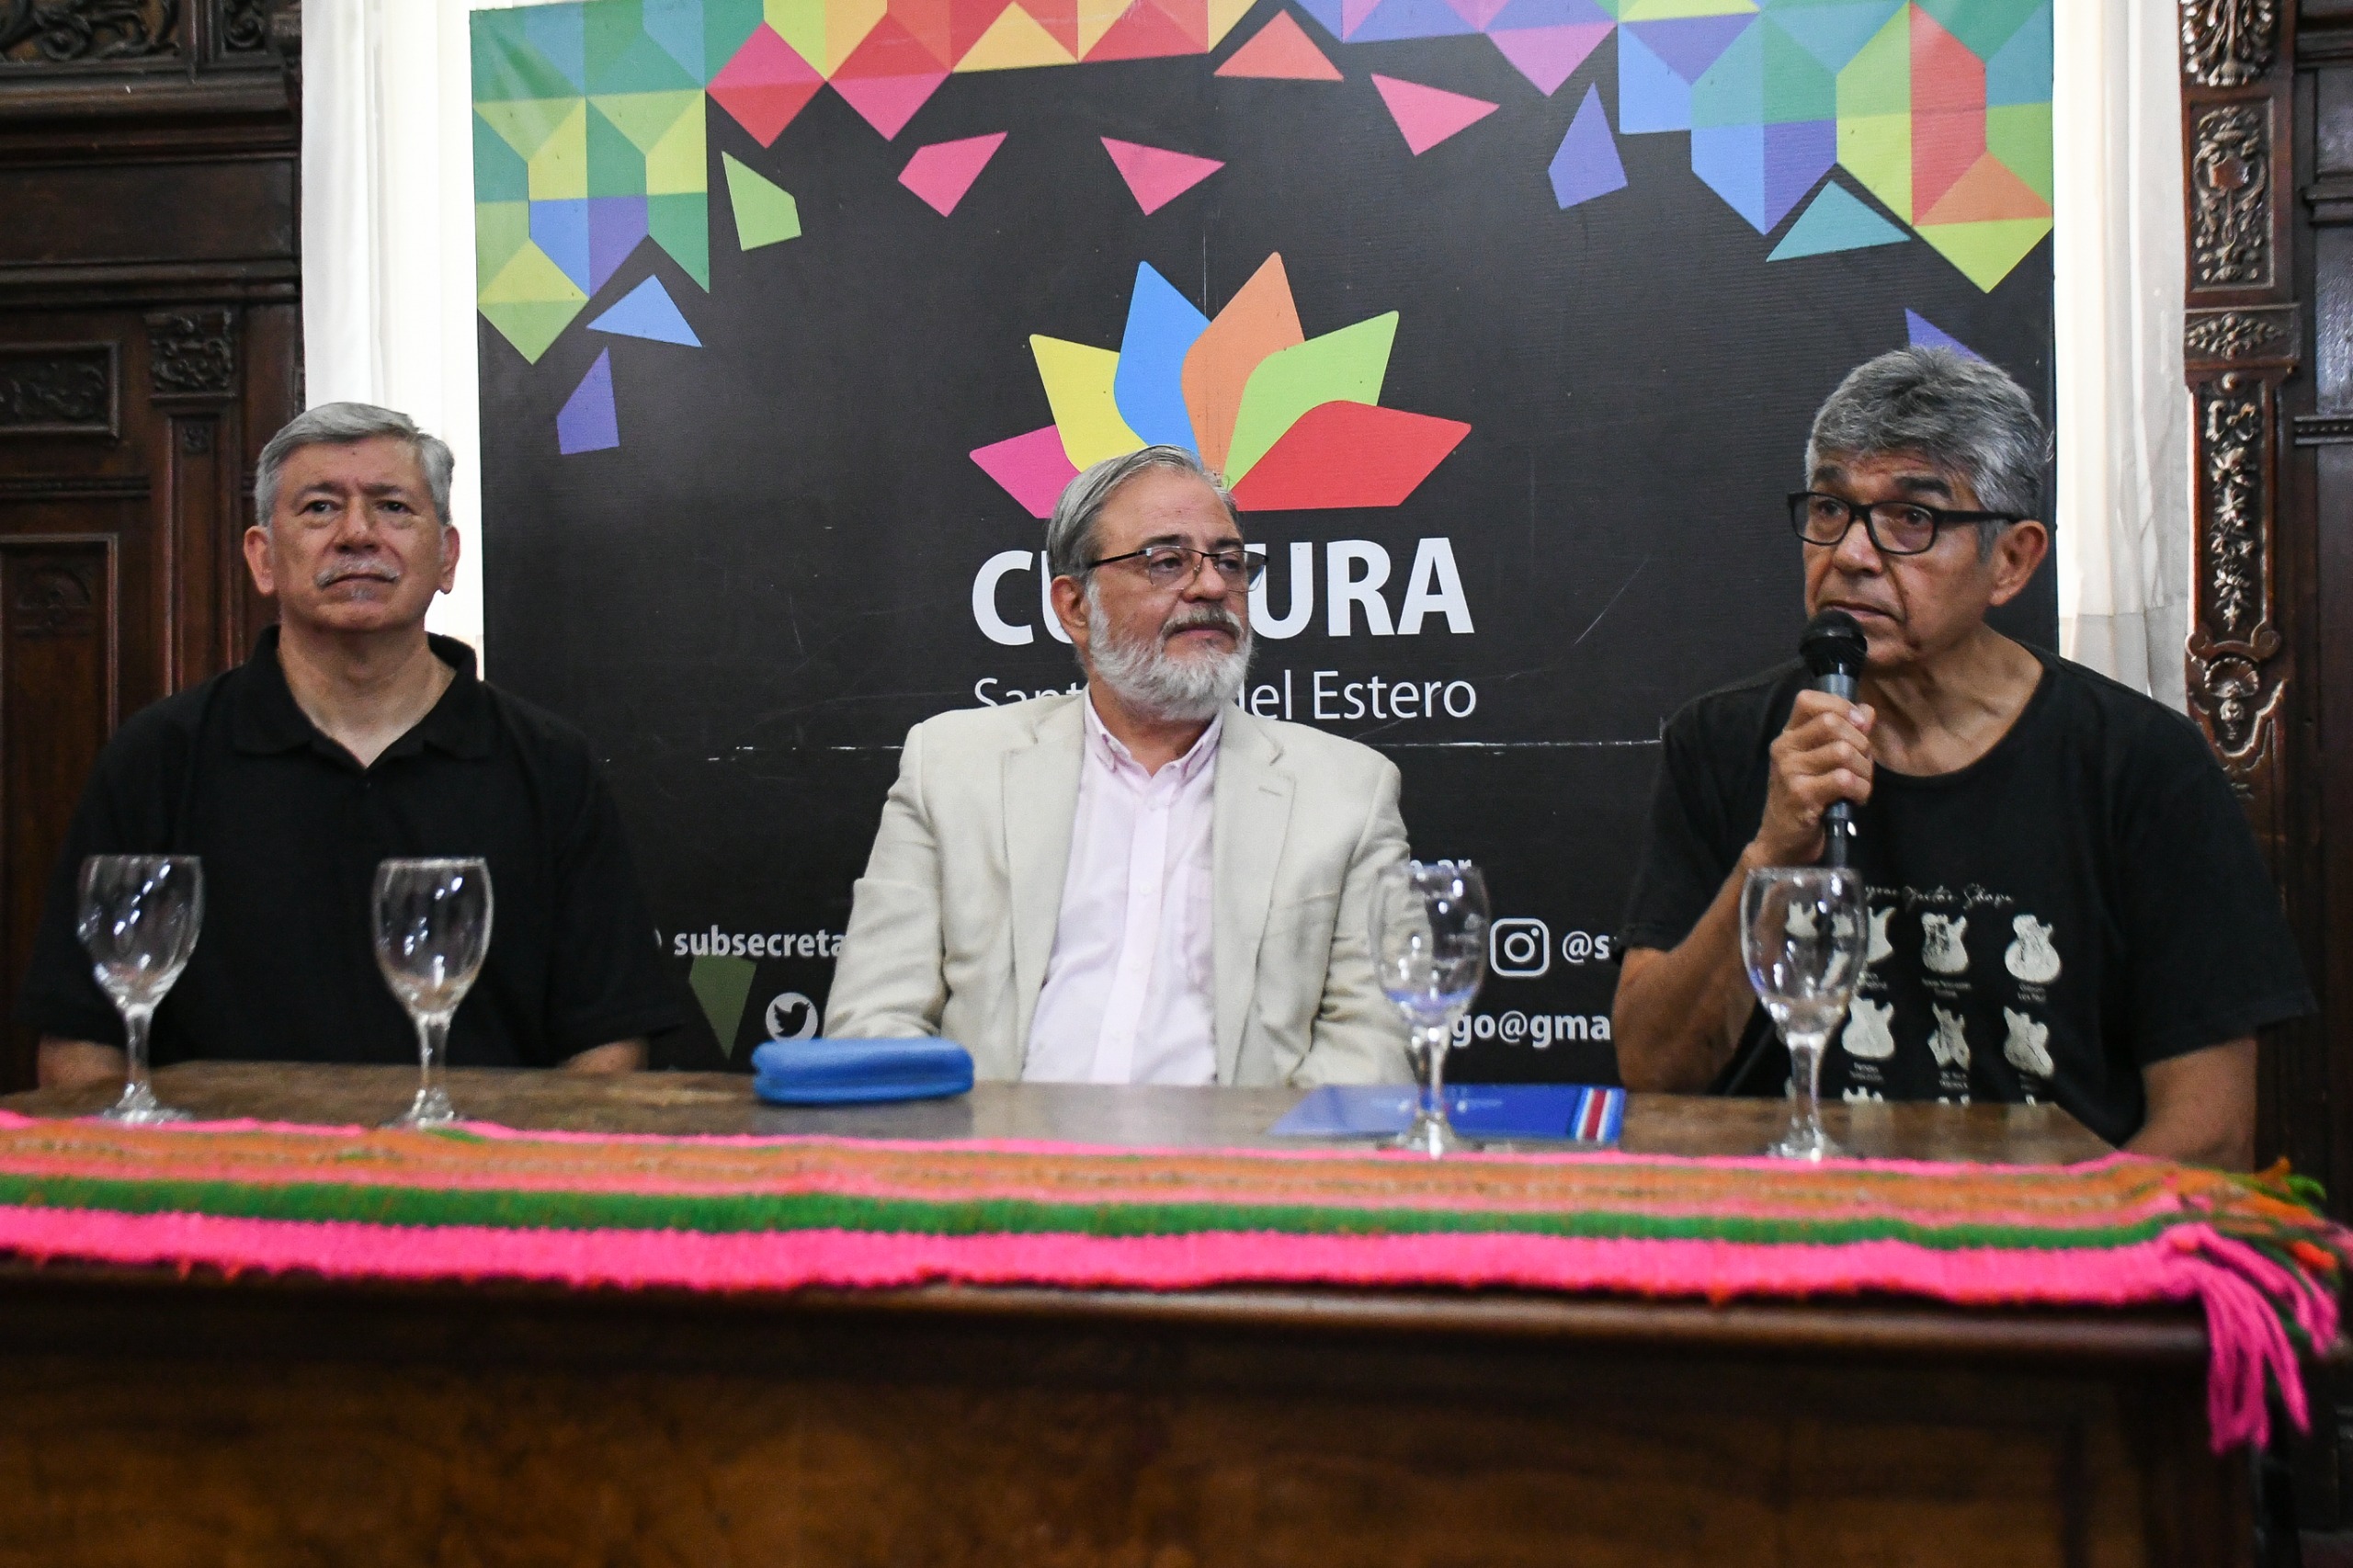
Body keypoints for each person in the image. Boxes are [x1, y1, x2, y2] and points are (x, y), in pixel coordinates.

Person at [1610, 348, 2312, 1167]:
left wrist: (2022, 1262)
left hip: (2041, 1260)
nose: (1852, 554)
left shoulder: (2140, 767)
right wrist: (1769, 856)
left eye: (1912, 519)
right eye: (1832, 508)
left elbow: (2213, 1131)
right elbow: (1652, 1075)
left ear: (2011, 560)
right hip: (1786, 1248)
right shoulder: (1726, 744)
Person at [20, 403, 679, 1085]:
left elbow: (607, 1045)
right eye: (319, 509)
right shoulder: (157, 759)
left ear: (447, 556)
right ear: (263, 557)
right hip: (226, 1182)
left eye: (393, 507)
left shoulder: (548, 765)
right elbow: (82, 1041)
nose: (357, 534)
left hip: (480, 1178)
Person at [824, 445, 1410, 1085]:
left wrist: (1244, 1170)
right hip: (999, 1164)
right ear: (1076, 607)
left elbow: (1371, 1051)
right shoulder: (952, 767)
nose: (1213, 586)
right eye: (1167, 562)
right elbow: (874, 1024)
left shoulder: (1347, 792)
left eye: (1231, 562)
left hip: (1238, 1170)